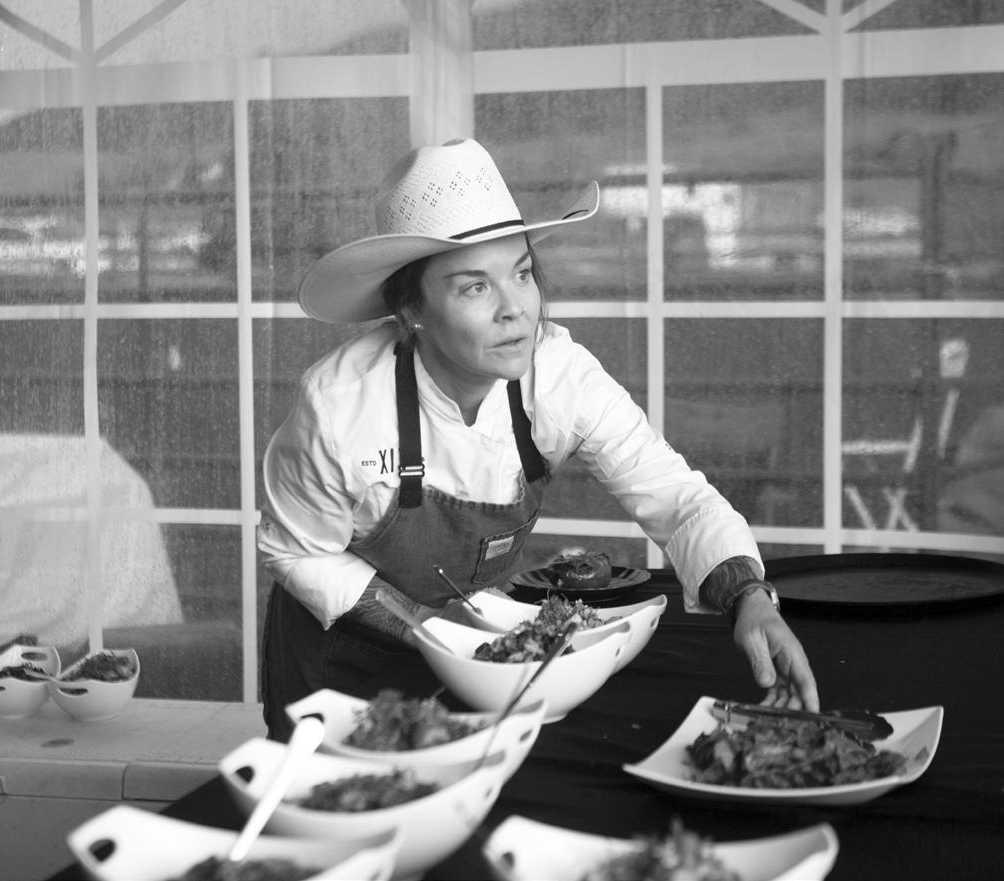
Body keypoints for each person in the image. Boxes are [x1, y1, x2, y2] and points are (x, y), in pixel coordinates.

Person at [257, 137, 818, 740]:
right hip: (344, 669)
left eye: (521, 274)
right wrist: (428, 625)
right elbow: (299, 552)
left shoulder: (559, 376)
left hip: (475, 662)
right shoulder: (339, 408)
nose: (516, 310)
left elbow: (676, 496)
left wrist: (749, 596)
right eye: (475, 286)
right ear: (412, 310)